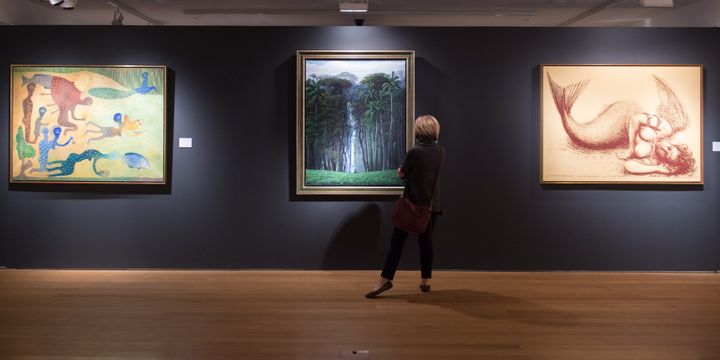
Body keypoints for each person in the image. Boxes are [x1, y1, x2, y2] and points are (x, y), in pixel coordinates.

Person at [366, 115, 444, 298]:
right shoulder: (441, 151)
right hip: (432, 205)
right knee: (426, 241)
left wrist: (400, 171)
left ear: (419, 131)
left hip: (413, 204)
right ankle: (425, 281)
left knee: (397, 242)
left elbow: (402, 173)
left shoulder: (414, 152)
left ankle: (384, 280)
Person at [621, 113, 695, 175]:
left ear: (666, 161)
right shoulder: (665, 130)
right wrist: (631, 147)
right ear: (675, 146)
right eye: (670, 148)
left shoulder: (654, 159)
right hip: (626, 116)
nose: (664, 148)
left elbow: (628, 165)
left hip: (619, 138)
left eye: (666, 154)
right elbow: (636, 118)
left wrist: (657, 169)